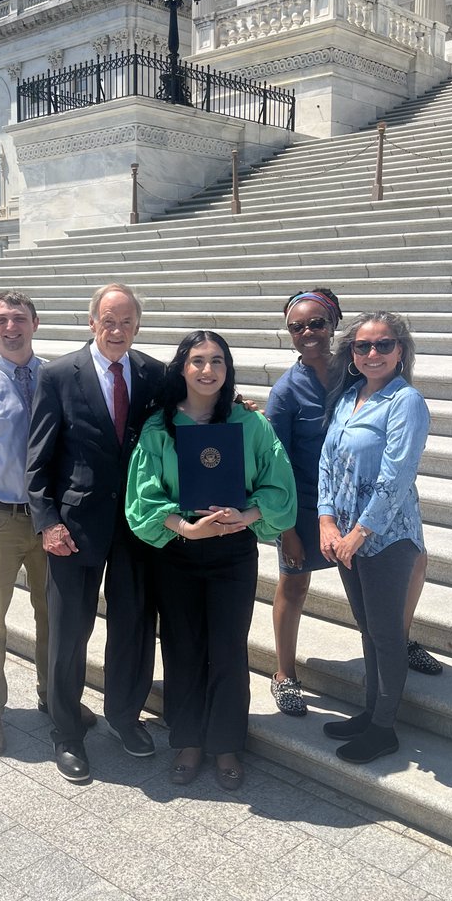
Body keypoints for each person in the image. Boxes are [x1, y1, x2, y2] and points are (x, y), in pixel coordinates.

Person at [126, 331, 297, 791]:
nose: (207, 370)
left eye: (217, 361)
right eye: (197, 360)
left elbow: (278, 483)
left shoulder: (250, 423)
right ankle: (188, 741)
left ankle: (226, 744)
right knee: (181, 647)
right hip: (178, 552)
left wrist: (246, 515)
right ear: (182, 367)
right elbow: (144, 496)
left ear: (228, 368)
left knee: (227, 649)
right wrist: (185, 528)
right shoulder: (160, 427)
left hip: (232, 554)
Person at [267, 290, 441, 718]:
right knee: (295, 581)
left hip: (372, 508)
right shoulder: (288, 390)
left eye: (317, 324)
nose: (308, 333)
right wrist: (289, 527)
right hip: (311, 506)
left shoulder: (356, 373)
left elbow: (395, 459)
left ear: (334, 325)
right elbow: (274, 461)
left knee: (414, 563)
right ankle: (285, 674)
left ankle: (395, 642)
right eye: (297, 327)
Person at [0, 290, 97, 757]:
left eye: (19, 319)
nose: (11, 328)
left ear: (35, 323)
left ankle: (54, 696)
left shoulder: (58, 377)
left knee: (55, 615)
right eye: (1, 320)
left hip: (50, 520)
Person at [26, 282, 164, 784]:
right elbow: (37, 459)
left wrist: (236, 407)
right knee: (69, 635)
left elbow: (187, 414)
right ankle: (66, 733)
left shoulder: (153, 373)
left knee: (132, 629)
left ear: (137, 326)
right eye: (109, 320)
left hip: (135, 527)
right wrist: (47, 522)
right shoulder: (60, 374)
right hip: (74, 528)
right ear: (91, 322)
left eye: (127, 322)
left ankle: (124, 717)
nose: (117, 330)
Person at [318, 312, 430, 763]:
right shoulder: (349, 397)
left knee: (386, 634)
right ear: (352, 353)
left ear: (400, 351)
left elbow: (396, 476)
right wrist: (327, 520)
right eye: (363, 346)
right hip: (344, 536)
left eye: (384, 345)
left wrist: (360, 532)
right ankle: (370, 712)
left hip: (385, 538)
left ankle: (384, 728)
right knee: (367, 628)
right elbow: (327, 461)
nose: (373, 354)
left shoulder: (406, 402)